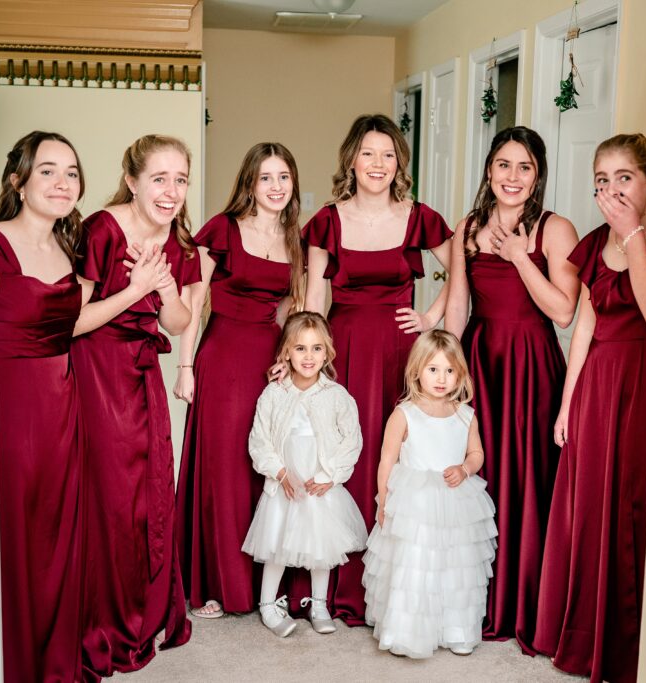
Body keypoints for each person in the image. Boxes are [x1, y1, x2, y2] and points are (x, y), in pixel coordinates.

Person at [0, 131, 169, 682]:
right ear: (19, 180)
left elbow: (72, 325)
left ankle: (53, 655)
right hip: (9, 402)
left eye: (71, 172)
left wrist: (138, 288)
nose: (62, 183)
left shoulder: (66, 249)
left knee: (59, 532)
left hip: (63, 401)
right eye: (47, 171)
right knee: (16, 531)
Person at [302, 114, 452, 624]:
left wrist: (430, 317)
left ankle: (395, 583)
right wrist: (304, 360)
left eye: (388, 154)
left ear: (399, 163)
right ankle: (334, 583)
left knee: (401, 456)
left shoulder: (419, 217)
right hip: (343, 349)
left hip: (400, 353)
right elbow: (313, 298)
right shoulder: (327, 220)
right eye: (368, 153)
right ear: (351, 159)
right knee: (344, 448)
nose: (378, 164)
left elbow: (463, 268)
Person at [533, 134, 646, 683]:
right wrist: (567, 403)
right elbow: (584, 324)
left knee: (631, 507)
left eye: (624, 178)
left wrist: (633, 232)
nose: (611, 192)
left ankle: (629, 644)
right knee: (587, 510)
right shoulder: (594, 242)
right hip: (595, 386)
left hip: (643, 382)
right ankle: (582, 633)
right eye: (601, 182)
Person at [443, 126, 579, 650]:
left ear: (538, 173)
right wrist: (441, 378)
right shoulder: (467, 229)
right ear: (489, 170)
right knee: (480, 475)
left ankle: (524, 604)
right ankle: (475, 600)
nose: (513, 177)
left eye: (524, 167)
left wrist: (522, 257)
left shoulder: (555, 229)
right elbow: (457, 307)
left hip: (532, 364)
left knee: (527, 478)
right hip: (480, 359)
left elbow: (564, 311)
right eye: (504, 165)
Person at [71, 134, 200, 678]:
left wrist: (164, 288)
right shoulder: (101, 229)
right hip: (96, 370)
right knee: (111, 495)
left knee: (151, 494)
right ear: (132, 180)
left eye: (181, 180)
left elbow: (178, 323)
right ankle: (104, 616)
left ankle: (144, 610)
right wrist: (136, 287)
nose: (171, 192)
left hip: (143, 372)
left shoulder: (180, 239)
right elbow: (72, 322)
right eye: (159, 179)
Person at [175, 143, 305, 619]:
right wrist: (185, 366)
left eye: (284, 177)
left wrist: (288, 357)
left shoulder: (296, 238)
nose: (276, 186)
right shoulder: (222, 229)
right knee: (225, 469)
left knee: (267, 466)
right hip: (224, 357)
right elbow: (194, 300)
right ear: (250, 182)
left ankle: (262, 582)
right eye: (266, 177)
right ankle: (217, 583)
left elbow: (292, 306)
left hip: (268, 361)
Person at [363, 329, 497, 658]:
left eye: (449, 371)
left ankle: (455, 628)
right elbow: (386, 461)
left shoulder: (465, 415)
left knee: (455, 566)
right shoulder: (404, 413)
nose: (441, 378)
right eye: (433, 369)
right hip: (416, 505)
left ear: (460, 375)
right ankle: (406, 630)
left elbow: (476, 454)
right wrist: (383, 499)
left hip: (455, 503)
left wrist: (465, 469)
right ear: (417, 371)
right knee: (415, 565)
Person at [242, 312, 367, 637]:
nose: (308, 356)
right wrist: (281, 473)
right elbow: (260, 440)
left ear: (327, 353)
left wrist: (331, 474)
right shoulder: (274, 394)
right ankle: (268, 605)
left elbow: (352, 439)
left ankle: (319, 604)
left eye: (315, 349)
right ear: (286, 353)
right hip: (284, 485)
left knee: (321, 548)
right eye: (300, 349)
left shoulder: (337, 396)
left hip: (318, 485)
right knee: (276, 545)